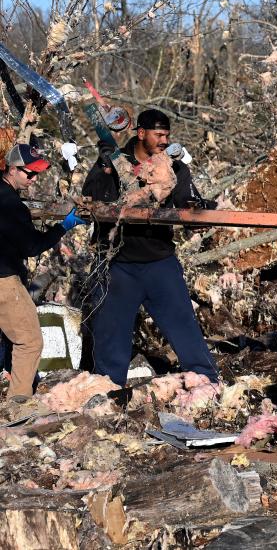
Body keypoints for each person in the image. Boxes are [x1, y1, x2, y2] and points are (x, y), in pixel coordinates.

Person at [81, 109, 219, 386]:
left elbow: (188, 203)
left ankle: (206, 384)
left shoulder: (174, 167)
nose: (164, 140)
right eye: (158, 134)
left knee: (184, 327)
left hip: (159, 261)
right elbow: (91, 198)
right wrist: (106, 167)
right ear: (141, 133)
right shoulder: (115, 161)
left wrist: (199, 215)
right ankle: (107, 393)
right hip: (117, 265)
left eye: (167, 134)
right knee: (111, 335)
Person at [0, 144, 85, 401]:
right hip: (4, 279)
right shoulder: (11, 205)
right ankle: (19, 402)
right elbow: (32, 246)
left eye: (37, 174)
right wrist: (64, 226)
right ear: (12, 169)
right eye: (30, 173)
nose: (34, 179)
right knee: (29, 342)